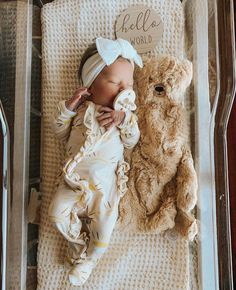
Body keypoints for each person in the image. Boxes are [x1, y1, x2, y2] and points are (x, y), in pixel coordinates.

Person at [48, 37, 143, 286]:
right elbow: (59, 132)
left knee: (103, 237)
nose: (124, 89)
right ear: (91, 83)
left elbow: (132, 142)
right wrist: (68, 107)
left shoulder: (125, 118)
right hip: (73, 181)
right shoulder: (81, 111)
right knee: (56, 214)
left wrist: (123, 119)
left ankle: (89, 259)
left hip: (105, 191)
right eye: (114, 82)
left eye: (129, 84)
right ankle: (78, 242)